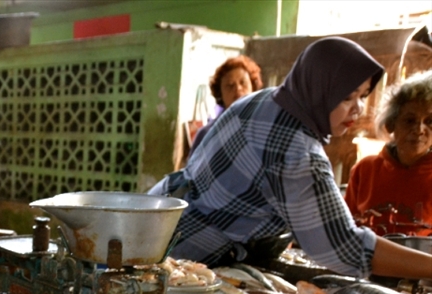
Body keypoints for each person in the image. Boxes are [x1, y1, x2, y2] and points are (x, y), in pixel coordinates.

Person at [149, 37, 432, 281]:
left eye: (363, 95)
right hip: (180, 256)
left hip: (155, 222)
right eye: (347, 97)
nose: (357, 109)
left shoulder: (266, 100)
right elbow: (343, 248)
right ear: (321, 88)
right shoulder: (297, 152)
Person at [344, 70, 432, 236]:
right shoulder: (365, 170)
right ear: (391, 124)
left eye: (430, 121)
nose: (419, 130)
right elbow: (344, 228)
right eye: (409, 120)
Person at [189, 55, 264, 155]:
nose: (238, 88)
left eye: (243, 82)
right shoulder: (207, 135)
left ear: (253, 87)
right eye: (230, 85)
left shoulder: (265, 127)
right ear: (220, 94)